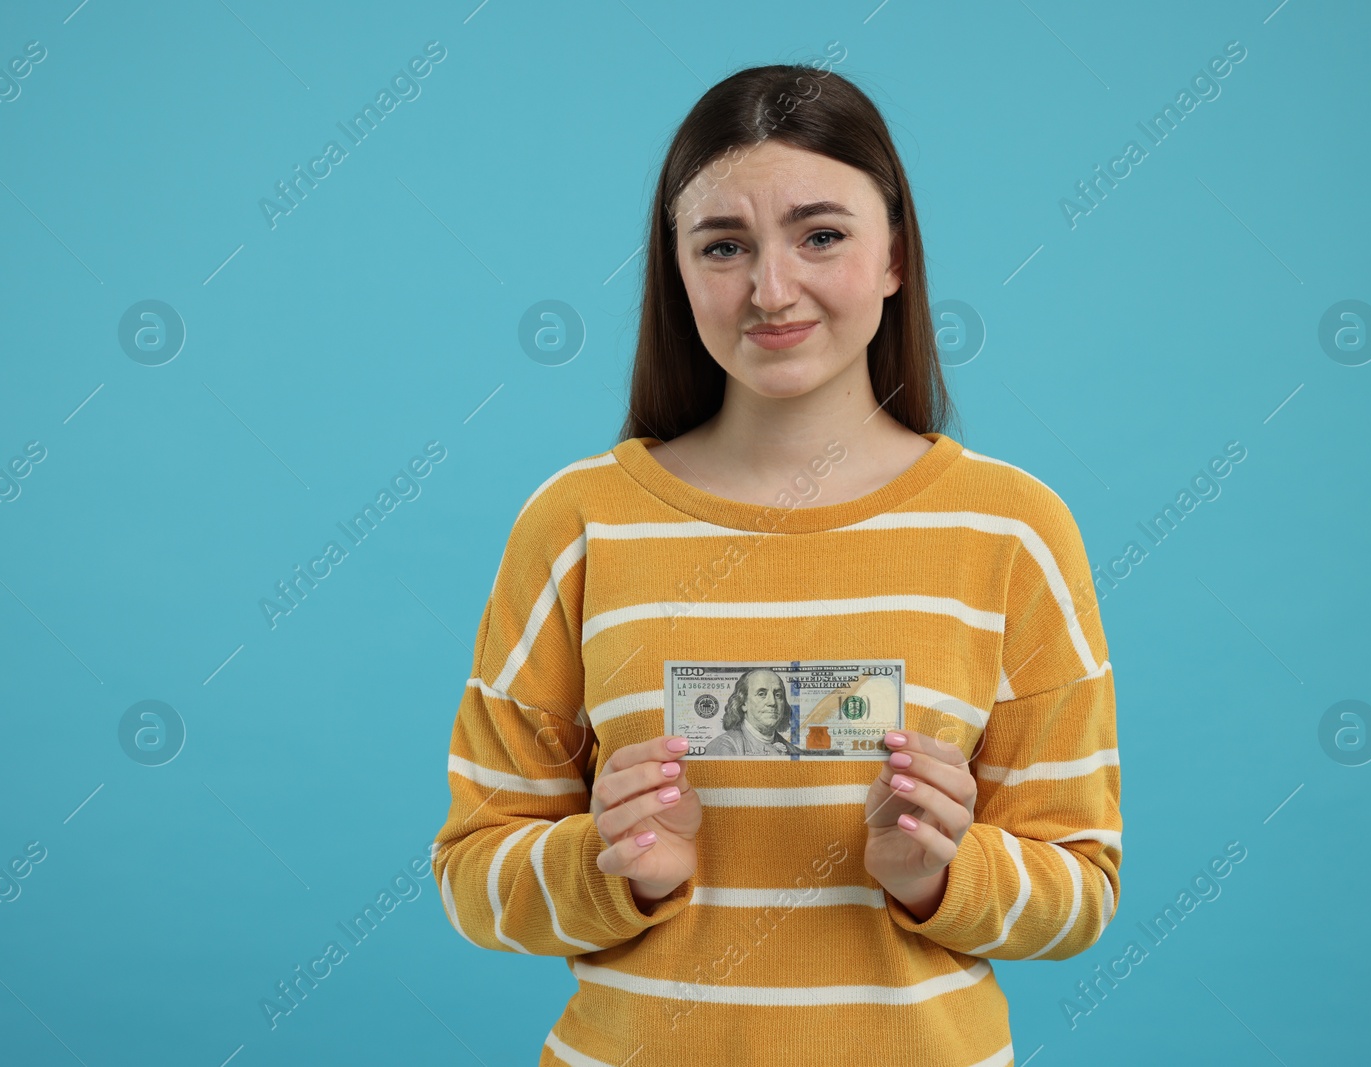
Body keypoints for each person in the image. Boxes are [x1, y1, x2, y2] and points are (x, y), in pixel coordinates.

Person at [432, 59, 1121, 1067]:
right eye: (723, 245)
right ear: (675, 269)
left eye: (821, 234)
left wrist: (940, 872)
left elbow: (1080, 894)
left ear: (895, 255)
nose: (771, 287)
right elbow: (471, 873)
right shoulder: (578, 522)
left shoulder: (1013, 531)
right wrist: (611, 863)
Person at [701, 668, 799, 756]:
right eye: (761, 694)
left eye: (778, 695)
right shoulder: (724, 747)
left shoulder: (794, 751)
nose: (772, 702)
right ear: (743, 703)